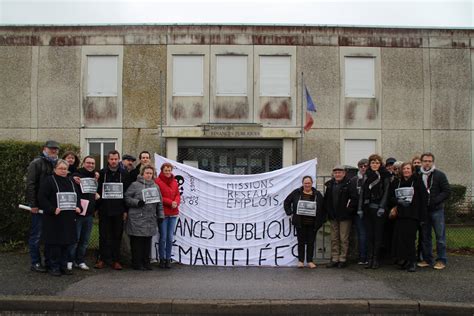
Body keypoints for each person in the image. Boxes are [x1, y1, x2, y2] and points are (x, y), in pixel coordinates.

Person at [38, 159, 81, 276]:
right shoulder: (49, 181)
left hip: (68, 218)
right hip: (54, 218)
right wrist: (52, 209)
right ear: (55, 169)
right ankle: (53, 266)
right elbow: (42, 198)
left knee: (66, 243)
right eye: (61, 168)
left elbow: (76, 197)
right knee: (54, 244)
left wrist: (78, 207)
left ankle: (63, 266)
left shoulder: (71, 182)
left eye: (65, 169)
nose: (63, 171)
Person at [26, 140, 60, 273]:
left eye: (56, 149)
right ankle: (35, 263)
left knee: (49, 236)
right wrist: (33, 204)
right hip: (39, 207)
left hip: (52, 207)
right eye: (51, 148)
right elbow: (31, 184)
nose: (54, 151)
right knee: (36, 236)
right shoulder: (37, 163)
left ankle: (48, 262)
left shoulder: (58, 163)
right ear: (44, 149)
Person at [388, 162, 427, 272]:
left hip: (413, 215)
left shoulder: (417, 181)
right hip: (400, 215)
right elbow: (390, 197)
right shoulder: (397, 181)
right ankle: (404, 260)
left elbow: (424, 198)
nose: (406, 170)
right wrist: (398, 201)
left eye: (408, 168)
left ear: (412, 170)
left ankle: (412, 261)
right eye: (404, 168)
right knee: (400, 239)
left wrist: (423, 217)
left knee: (410, 239)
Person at [95, 150, 131, 270]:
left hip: (119, 209)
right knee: (103, 235)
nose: (114, 161)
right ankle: (101, 259)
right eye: (111, 159)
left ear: (119, 159)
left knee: (117, 235)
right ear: (108, 160)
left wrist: (125, 210)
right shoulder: (102, 173)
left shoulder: (124, 173)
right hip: (104, 209)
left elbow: (127, 193)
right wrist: (97, 207)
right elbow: (98, 191)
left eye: (116, 159)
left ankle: (116, 260)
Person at [125, 165, 164, 270]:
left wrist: (160, 215)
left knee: (147, 241)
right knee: (137, 242)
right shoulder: (135, 185)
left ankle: (146, 262)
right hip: (137, 218)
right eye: (147, 173)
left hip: (150, 218)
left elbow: (159, 203)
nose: (148, 175)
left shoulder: (156, 186)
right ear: (142, 174)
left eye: (150, 173)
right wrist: (137, 202)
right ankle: (137, 263)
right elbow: (127, 197)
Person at [284, 176, 325, 269]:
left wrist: (321, 221)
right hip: (300, 223)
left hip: (313, 223)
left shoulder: (317, 194)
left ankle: (310, 261)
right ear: (302, 183)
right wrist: (290, 213)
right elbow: (286, 202)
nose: (307, 185)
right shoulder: (296, 193)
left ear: (312, 183)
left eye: (308, 183)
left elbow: (323, 208)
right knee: (301, 242)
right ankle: (301, 261)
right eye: (305, 183)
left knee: (311, 242)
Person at [418, 152, 451, 270]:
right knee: (425, 237)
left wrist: (435, 200)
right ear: (421, 162)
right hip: (424, 212)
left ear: (433, 162)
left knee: (440, 237)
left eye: (429, 161)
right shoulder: (418, 174)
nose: (427, 163)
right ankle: (427, 259)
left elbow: (447, 191)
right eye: (425, 161)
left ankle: (441, 260)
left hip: (437, 210)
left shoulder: (440, 175)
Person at [358, 154, 390, 269]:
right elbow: (362, 192)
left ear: (380, 164)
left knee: (378, 235)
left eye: (377, 162)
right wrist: (360, 208)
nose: (375, 165)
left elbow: (386, 191)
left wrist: (382, 206)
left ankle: (376, 259)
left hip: (378, 209)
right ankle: (369, 259)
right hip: (367, 208)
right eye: (372, 163)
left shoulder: (385, 175)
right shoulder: (366, 175)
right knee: (369, 235)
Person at [69, 156, 100, 271]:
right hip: (78, 213)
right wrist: (74, 179)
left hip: (89, 214)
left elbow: (94, 192)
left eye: (92, 163)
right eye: (88, 163)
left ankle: (80, 260)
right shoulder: (76, 175)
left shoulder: (95, 177)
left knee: (85, 240)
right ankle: (70, 261)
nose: (90, 165)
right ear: (83, 163)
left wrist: (96, 195)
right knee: (75, 240)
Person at [324, 166, 357, 268]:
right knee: (334, 238)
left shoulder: (349, 184)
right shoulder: (330, 185)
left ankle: (343, 258)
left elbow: (354, 198)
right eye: (336, 172)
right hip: (333, 216)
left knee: (344, 238)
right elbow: (326, 200)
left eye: (339, 172)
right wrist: (328, 211)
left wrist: (348, 210)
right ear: (333, 174)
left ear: (344, 174)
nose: (337, 174)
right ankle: (334, 258)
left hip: (345, 216)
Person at [155, 162, 181, 269]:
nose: (167, 172)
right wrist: (171, 202)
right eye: (166, 170)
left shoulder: (174, 181)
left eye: (169, 170)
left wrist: (176, 202)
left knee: (170, 237)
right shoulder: (157, 181)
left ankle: (168, 258)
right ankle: (162, 258)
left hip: (173, 213)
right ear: (162, 170)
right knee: (163, 237)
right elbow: (159, 196)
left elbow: (178, 195)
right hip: (163, 213)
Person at [350, 158, 369, 265]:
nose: (363, 168)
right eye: (361, 166)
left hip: (370, 211)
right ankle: (362, 257)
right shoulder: (354, 180)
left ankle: (370, 256)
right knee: (362, 234)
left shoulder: (372, 178)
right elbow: (352, 195)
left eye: (365, 166)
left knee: (370, 234)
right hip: (358, 211)